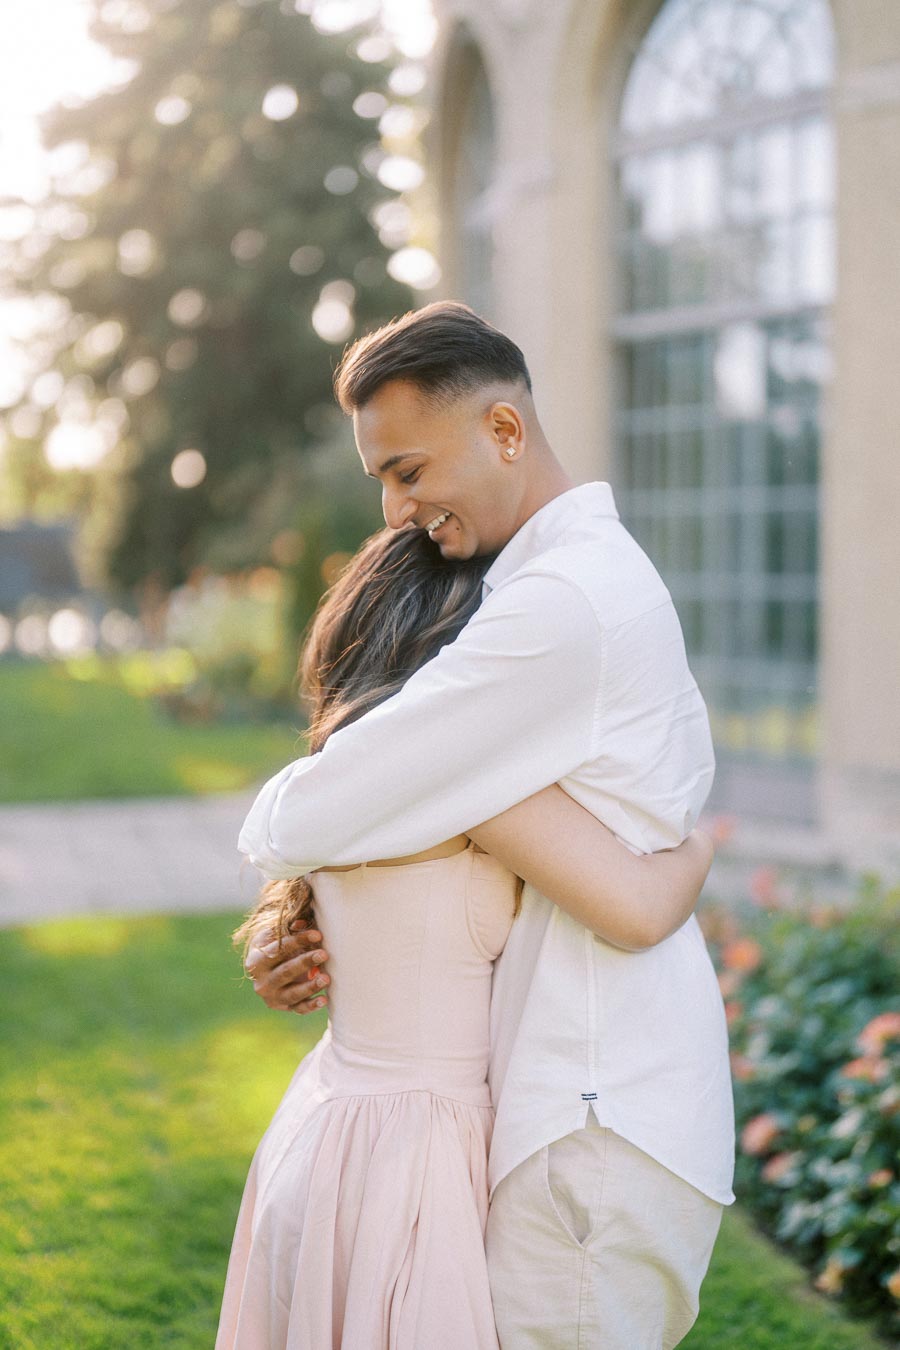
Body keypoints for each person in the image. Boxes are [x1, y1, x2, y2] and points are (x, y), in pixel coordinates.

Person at [239, 302, 736, 1348]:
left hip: (588, 1126)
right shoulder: (567, 585)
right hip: (571, 1104)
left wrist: (292, 811)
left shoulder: (559, 606)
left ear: (505, 431)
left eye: (409, 471)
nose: (391, 509)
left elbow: (310, 811)